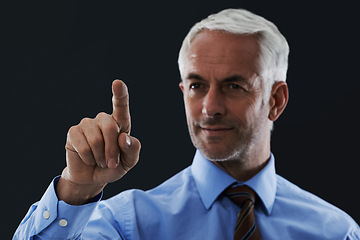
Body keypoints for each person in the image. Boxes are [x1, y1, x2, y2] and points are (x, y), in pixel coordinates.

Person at [14, 8, 359, 240]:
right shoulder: (126, 225)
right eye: (197, 86)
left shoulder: (335, 231)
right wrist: (75, 191)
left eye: (234, 86)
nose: (209, 108)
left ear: (276, 100)